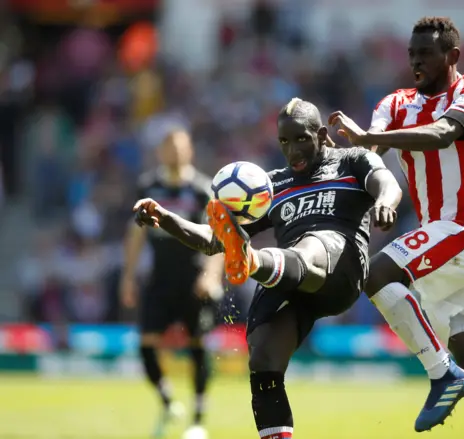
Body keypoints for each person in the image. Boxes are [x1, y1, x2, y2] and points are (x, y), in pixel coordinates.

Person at [328, 16, 464, 438]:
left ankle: (440, 374)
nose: (416, 61)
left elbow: (447, 132)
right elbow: (370, 148)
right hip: (440, 242)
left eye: (426, 54)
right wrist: (340, 156)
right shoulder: (394, 104)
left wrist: (372, 140)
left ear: (453, 56)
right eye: (412, 53)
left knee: (376, 274)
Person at [133, 98, 403, 439]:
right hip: (291, 282)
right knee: (263, 361)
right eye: (284, 142)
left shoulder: (351, 160)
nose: (293, 150)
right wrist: (167, 219)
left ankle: (251, 260)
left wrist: (384, 203)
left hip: (342, 269)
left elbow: (387, 183)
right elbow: (213, 240)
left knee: (310, 244)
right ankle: (250, 259)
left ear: (321, 134)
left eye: (301, 138)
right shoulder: (271, 186)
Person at [120, 130, 224, 439]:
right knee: (147, 343)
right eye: (169, 148)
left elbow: (219, 237)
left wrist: (210, 274)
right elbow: (136, 234)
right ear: (161, 153)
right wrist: (128, 275)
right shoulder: (148, 187)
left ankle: (198, 416)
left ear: (190, 151)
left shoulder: (202, 190)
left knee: (198, 346)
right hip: (160, 279)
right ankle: (167, 400)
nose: (175, 154)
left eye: (180, 148)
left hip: (194, 280)